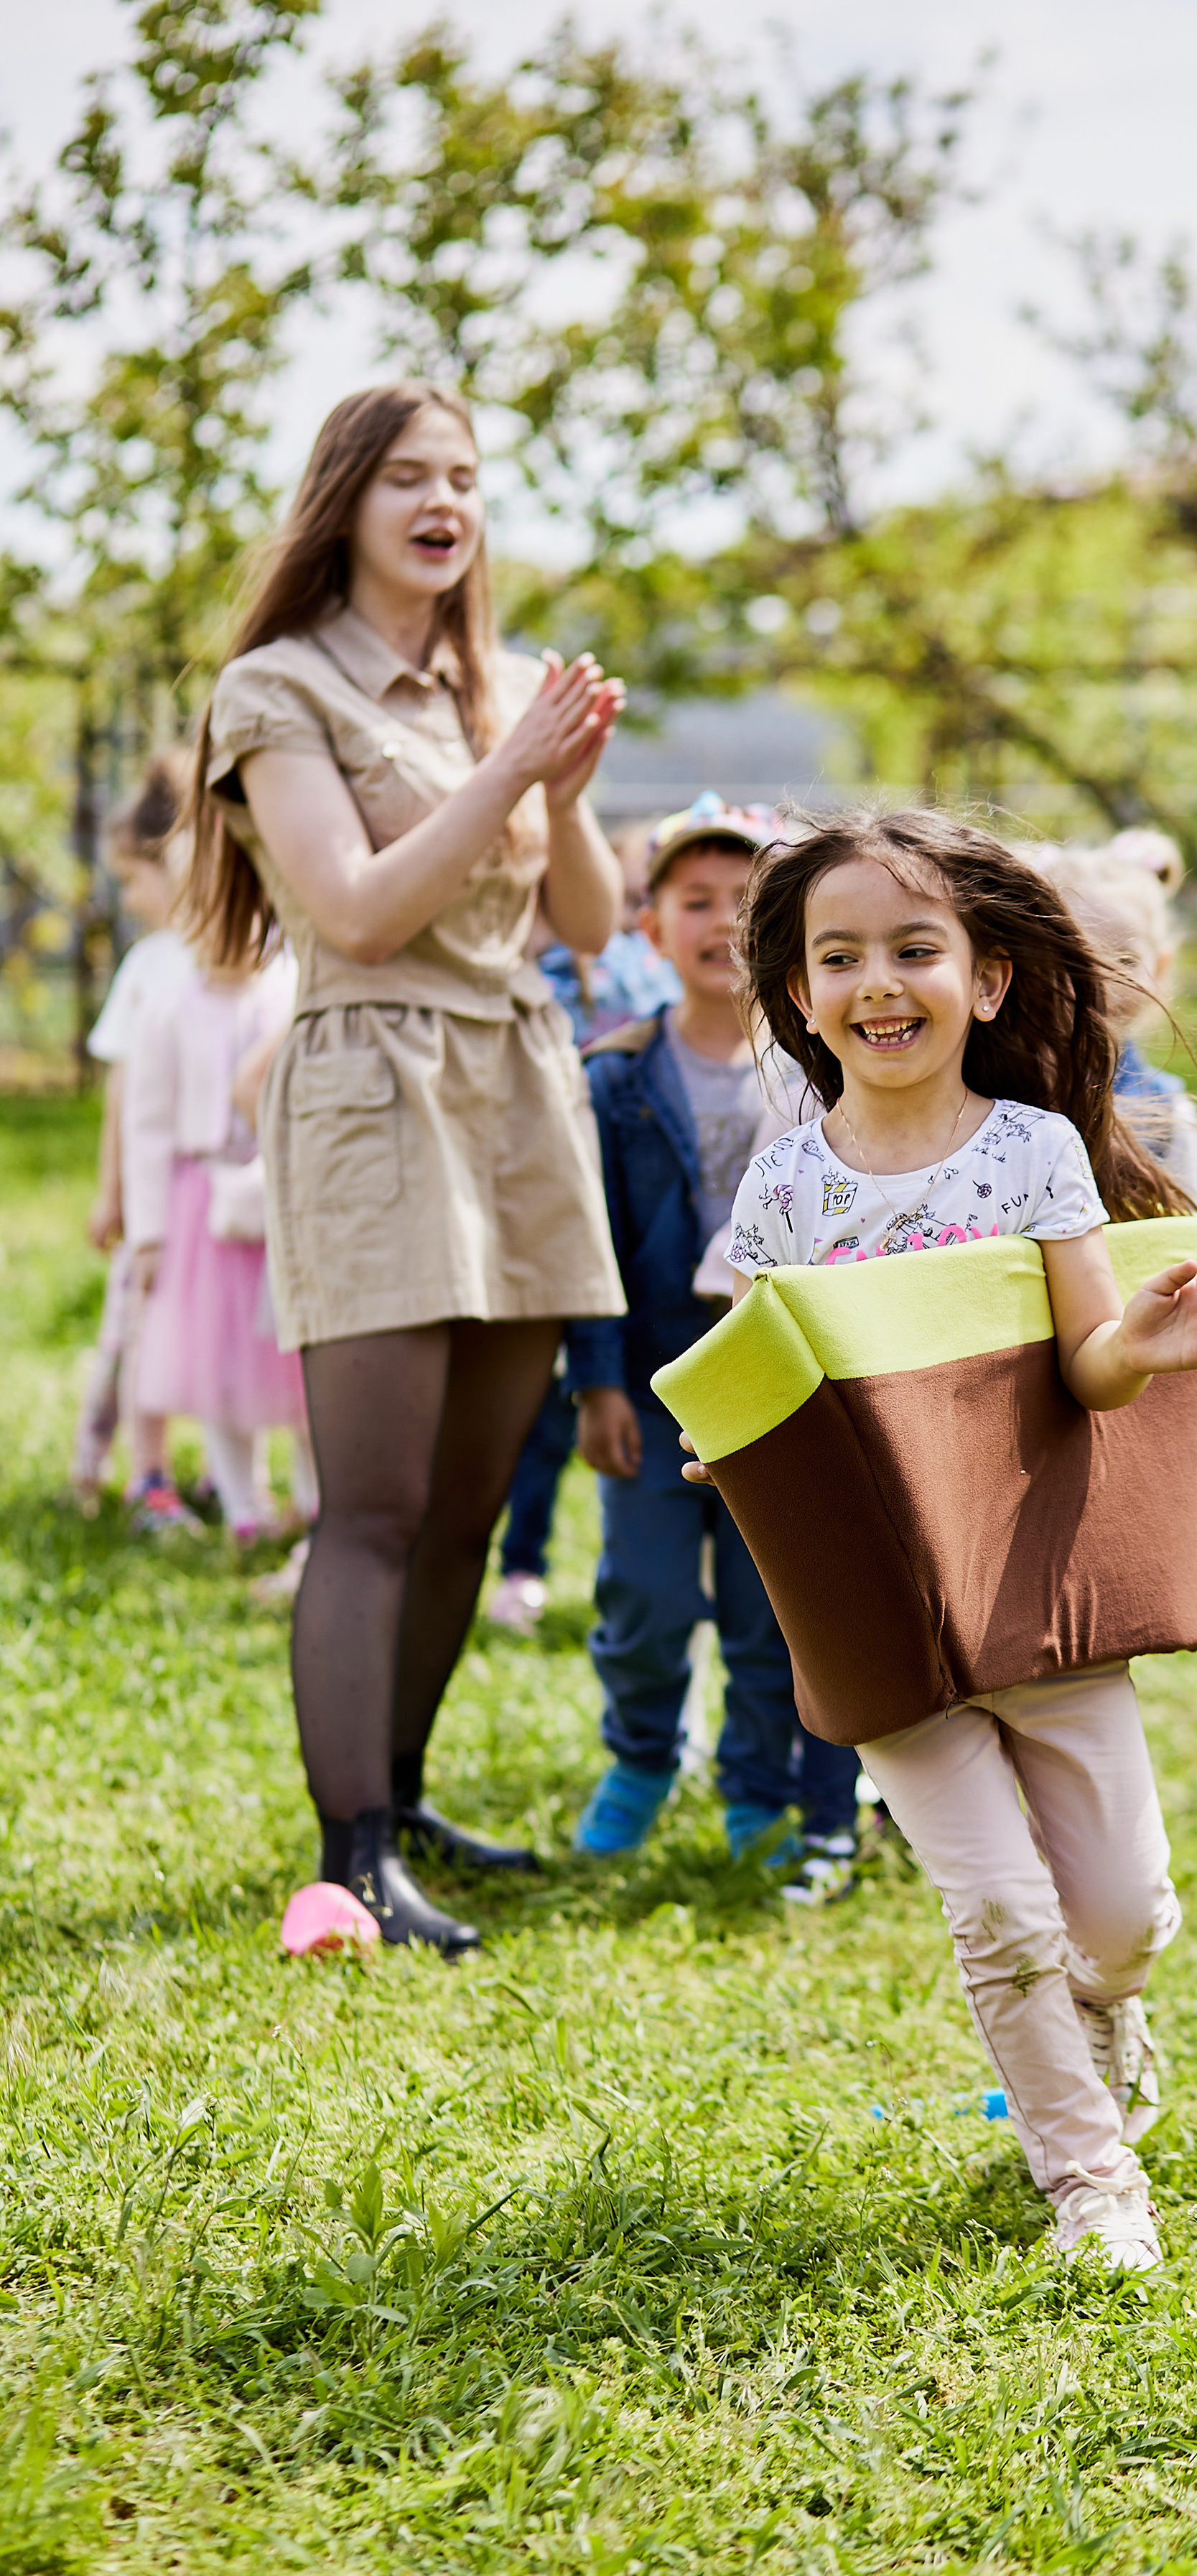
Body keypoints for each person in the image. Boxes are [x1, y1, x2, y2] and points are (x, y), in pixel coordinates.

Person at [701, 809, 1197, 2269]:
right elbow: (759, 1379)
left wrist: (1140, 1344)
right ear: (799, 995)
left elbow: (1085, 1366)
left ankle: (1104, 2009)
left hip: (1033, 1580)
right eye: (838, 958)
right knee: (999, 1912)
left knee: (1122, 1917)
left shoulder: (1030, 1154)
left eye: (912, 949)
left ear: (987, 980)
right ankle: (1089, 2182)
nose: (877, 983)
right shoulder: (783, 1189)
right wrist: (736, 1445)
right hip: (885, 1608)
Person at [185, 379, 628, 1955]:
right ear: (345, 501)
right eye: (408, 478)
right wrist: (509, 774)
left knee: (468, 1500)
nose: (445, 503)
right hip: (373, 1084)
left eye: (465, 477)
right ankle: (350, 1854)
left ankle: (406, 1795)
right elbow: (358, 913)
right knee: (372, 1504)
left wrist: (559, 788)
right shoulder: (275, 689)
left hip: (516, 1087)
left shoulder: (493, 689)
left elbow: (587, 925)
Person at [569, 794, 862, 1895]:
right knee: (645, 1596)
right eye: (696, 901)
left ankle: (756, 1788)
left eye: (747, 902)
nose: (722, 923)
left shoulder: (824, 1070)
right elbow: (589, 1244)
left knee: (764, 1606)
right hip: (654, 1380)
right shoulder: (615, 1076)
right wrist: (597, 1383)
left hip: (777, 1383)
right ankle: (643, 1758)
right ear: (649, 925)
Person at [482, 887, 680, 1638]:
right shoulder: (514, 977)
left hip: (600, 1224)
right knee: (537, 1422)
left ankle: (530, 1565)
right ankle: (521, 1566)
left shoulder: (637, 976)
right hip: (532, 1217)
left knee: (562, 1419)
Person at [121, 935, 315, 1540]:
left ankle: (313, 1498)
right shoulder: (169, 1008)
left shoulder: (292, 993)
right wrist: (148, 1235)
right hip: (202, 1207)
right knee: (219, 1364)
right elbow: (147, 1129)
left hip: (280, 1196)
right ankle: (242, 1507)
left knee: (297, 1365)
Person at [71, 756, 202, 1529]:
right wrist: (111, 1192)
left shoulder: (246, 956)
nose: (127, 898)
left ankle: (225, 1474)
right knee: (138, 1329)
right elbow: (123, 1094)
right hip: (157, 1188)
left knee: (214, 1333)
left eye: (132, 878)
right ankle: (122, 1468)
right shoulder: (149, 966)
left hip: (219, 1191)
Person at [1035, 837, 1197, 1210]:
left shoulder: (1168, 1110)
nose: (1103, 983)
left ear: (1160, 968)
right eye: (1077, 959)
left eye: (1127, 962)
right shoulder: (990, 1083)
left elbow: (1189, 1224)